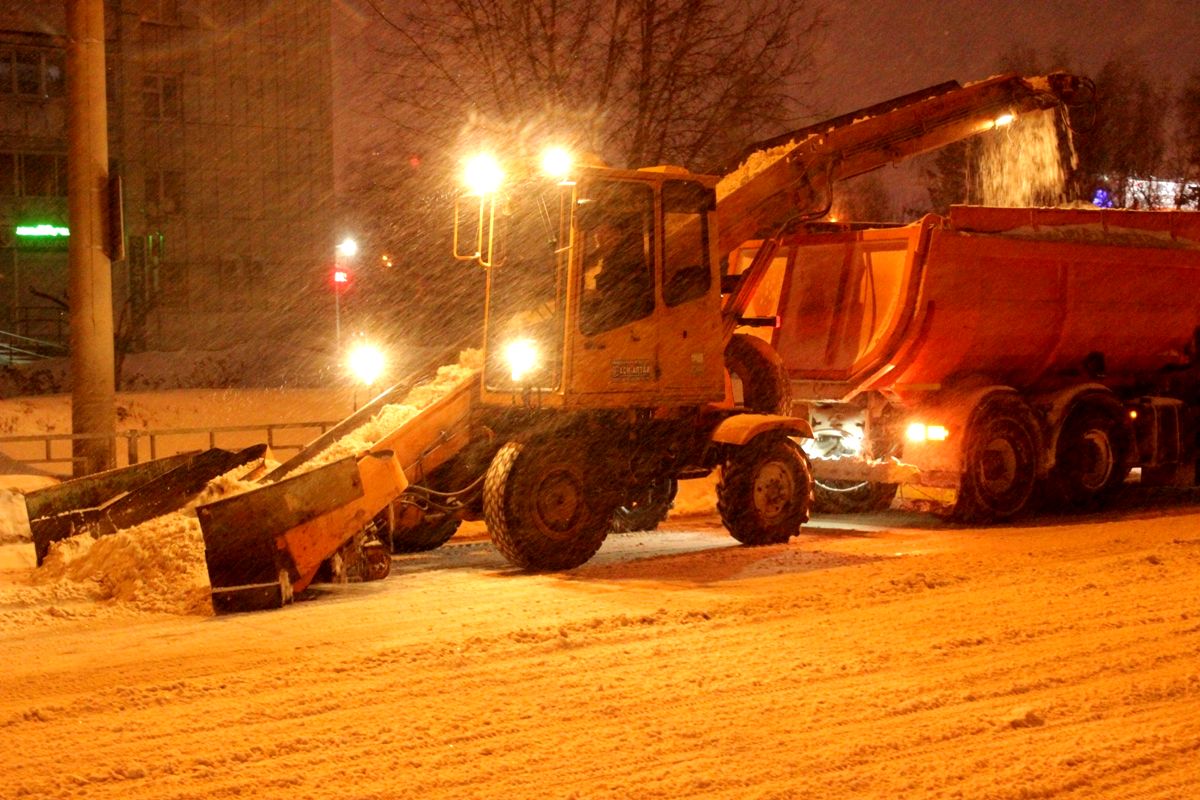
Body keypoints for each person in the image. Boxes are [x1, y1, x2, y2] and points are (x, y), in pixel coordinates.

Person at [581, 217, 654, 334]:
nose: (600, 241)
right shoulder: (611, 257)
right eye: (599, 238)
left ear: (618, 235)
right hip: (620, 312)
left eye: (605, 236)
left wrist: (596, 295)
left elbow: (621, 291)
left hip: (625, 319)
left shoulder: (625, 258)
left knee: (590, 327)